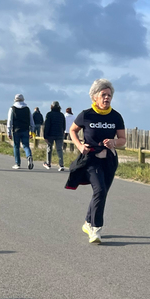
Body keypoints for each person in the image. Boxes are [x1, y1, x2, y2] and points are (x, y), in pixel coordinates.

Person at [65, 79, 126, 244]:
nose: (107, 98)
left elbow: (122, 140)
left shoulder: (116, 116)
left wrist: (114, 142)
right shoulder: (86, 115)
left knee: (102, 192)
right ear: (94, 97)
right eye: (103, 95)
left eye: (109, 95)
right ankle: (95, 228)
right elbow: (72, 130)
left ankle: (87, 222)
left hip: (109, 161)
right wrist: (79, 146)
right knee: (99, 190)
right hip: (91, 160)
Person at [7, 93, 33, 170]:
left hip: (16, 130)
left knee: (16, 146)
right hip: (25, 130)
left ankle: (17, 163)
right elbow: (31, 121)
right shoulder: (27, 109)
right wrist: (32, 131)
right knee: (26, 146)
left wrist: (9, 132)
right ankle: (29, 156)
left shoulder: (12, 108)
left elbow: (10, 121)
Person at [42, 101, 66, 171]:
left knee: (49, 148)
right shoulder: (61, 115)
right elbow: (64, 125)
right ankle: (61, 165)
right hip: (59, 134)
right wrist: (62, 132)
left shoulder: (49, 114)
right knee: (59, 149)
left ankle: (48, 163)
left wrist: (45, 136)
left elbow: (47, 125)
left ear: (51, 106)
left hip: (50, 134)